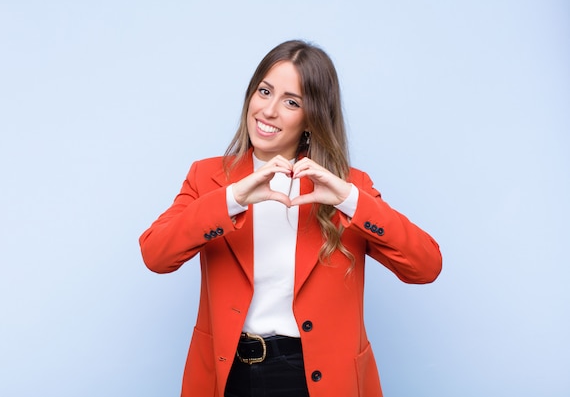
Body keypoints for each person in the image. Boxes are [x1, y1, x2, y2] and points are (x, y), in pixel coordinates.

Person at [139, 39, 442, 397]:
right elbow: (155, 254)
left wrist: (349, 199)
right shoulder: (208, 178)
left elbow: (425, 266)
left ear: (312, 117)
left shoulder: (347, 186)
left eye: (291, 102)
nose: (268, 110)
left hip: (314, 380)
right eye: (264, 91)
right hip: (227, 377)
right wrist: (232, 199)